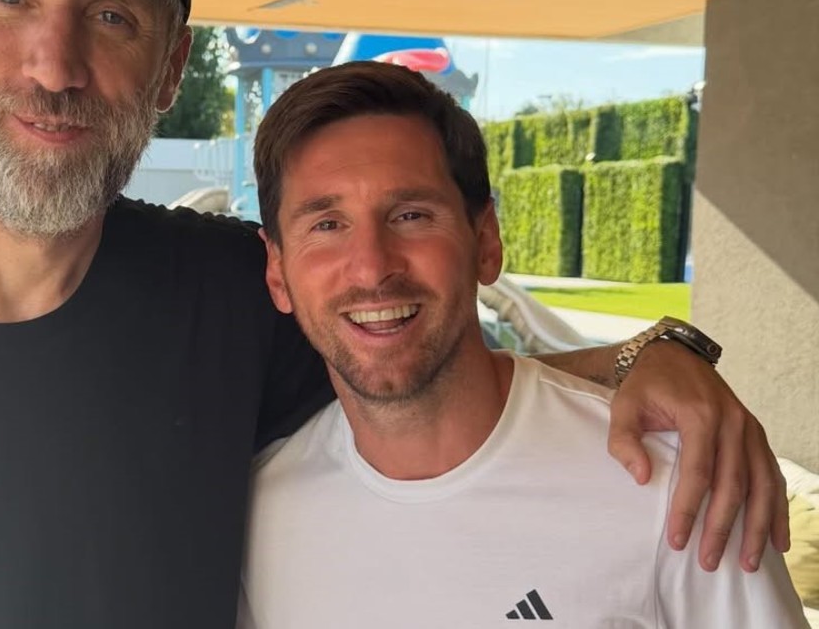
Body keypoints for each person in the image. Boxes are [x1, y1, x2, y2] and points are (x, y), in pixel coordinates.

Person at [0, 0, 788, 628]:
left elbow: (427, 371)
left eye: (112, 17)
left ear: (174, 64)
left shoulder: (234, 296)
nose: (55, 64)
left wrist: (659, 359)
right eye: (12, 3)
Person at [238, 61, 808, 628]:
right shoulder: (259, 513)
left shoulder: (673, 481)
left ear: (487, 240)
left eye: (411, 215)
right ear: (277, 273)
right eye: (327, 225)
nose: (371, 267)